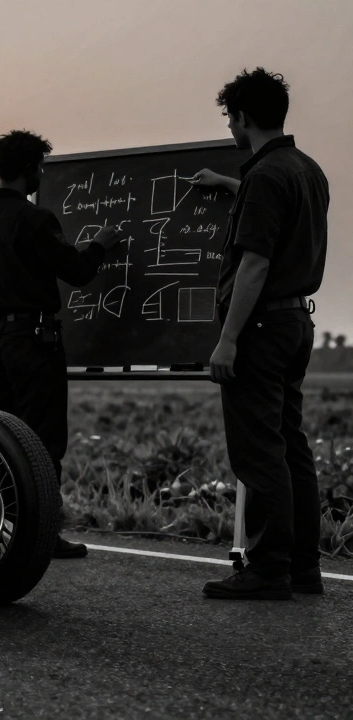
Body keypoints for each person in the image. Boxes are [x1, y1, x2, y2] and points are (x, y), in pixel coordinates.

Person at [0, 130, 123, 559]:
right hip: (33, 339)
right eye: (40, 168)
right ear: (29, 169)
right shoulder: (36, 220)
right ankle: (42, 531)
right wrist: (101, 244)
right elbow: (78, 271)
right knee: (40, 438)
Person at [193, 68, 328, 600]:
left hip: (262, 324)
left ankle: (267, 568)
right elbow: (277, 214)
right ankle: (302, 567)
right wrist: (232, 186)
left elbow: (254, 263)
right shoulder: (305, 169)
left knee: (258, 451)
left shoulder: (266, 176)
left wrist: (228, 339)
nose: (229, 126)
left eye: (230, 116)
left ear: (244, 117)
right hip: (295, 321)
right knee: (291, 445)